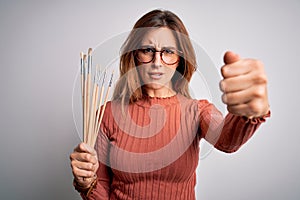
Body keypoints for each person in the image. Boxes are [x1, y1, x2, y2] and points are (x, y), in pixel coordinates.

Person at [70, 9, 270, 200]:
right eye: (147, 50)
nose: (157, 62)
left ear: (180, 59)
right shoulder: (107, 114)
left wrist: (247, 114)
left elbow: (227, 141)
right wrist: (87, 183)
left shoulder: (197, 111)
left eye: (168, 52)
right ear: (135, 55)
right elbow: (102, 189)